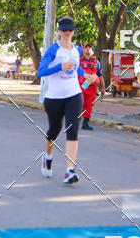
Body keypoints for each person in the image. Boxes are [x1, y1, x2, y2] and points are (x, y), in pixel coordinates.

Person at [37, 17, 96, 184]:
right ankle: (47, 157)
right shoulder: (53, 50)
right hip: (54, 98)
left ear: (73, 32)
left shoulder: (77, 49)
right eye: (64, 30)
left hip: (74, 95)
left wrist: (87, 75)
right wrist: (59, 67)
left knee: (72, 129)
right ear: (59, 31)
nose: (67, 33)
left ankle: (70, 171)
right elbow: (41, 72)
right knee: (54, 130)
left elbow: (76, 69)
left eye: (70, 30)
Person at [78, 43, 104, 130]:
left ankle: (85, 124)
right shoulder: (79, 61)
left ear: (91, 50)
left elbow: (100, 75)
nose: (88, 49)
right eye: (86, 47)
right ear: (83, 50)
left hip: (92, 87)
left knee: (89, 105)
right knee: (80, 103)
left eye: (89, 47)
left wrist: (103, 88)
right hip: (82, 86)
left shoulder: (96, 62)